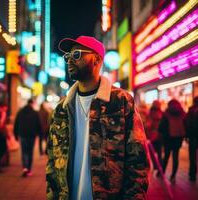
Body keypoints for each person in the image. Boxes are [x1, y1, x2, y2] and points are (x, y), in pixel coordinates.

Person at [46, 36, 150, 199]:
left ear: (97, 60)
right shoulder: (62, 108)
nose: (70, 61)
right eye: (68, 56)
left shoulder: (120, 101)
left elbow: (138, 159)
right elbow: (52, 162)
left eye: (77, 55)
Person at [158, 99, 186, 183]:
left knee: (166, 156)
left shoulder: (167, 113)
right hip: (178, 137)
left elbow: (161, 127)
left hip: (168, 138)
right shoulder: (182, 113)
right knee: (175, 156)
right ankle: (173, 176)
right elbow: (185, 125)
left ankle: (162, 172)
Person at [14, 99, 42, 177]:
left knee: (24, 151)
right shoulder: (35, 113)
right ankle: (29, 169)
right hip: (32, 135)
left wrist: (16, 135)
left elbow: (16, 124)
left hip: (22, 134)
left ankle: (25, 168)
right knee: (30, 152)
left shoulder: (20, 112)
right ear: (32, 104)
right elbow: (38, 125)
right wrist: (40, 135)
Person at [184, 96, 198, 181]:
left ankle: (192, 174)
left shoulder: (191, 110)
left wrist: (187, 135)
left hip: (193, 136)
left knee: (193, 157)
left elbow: (187, 123)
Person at [146, 100, 163, 173]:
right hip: (159, 135)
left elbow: (148, 124)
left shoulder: (150, 112)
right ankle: (159, 168)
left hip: (151, 135)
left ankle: (156, 166)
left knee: (151, 152)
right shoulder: (161, 113)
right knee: (159, 153)